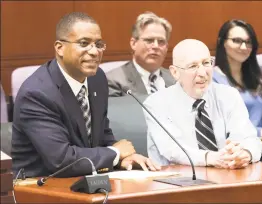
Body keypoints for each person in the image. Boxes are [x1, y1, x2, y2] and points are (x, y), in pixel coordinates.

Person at [11, 12, 160, 178]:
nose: (95, 52)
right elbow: (61, 160)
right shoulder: (37, 94)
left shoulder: (97, 78)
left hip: (87, 180)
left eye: (99, 44)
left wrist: (126, 158)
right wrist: (115, 153)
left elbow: (101, 134)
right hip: (40, 187)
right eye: (84, 43)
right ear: (60, 48)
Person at [143, 39, 262, 169]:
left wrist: (244, 153)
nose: (202, 73)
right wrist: (210, 158)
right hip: (176, 179)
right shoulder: (156, 103)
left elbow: (249, 138)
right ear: (175, 72)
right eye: (193, 66)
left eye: (206, 63)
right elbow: (172, 151)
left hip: (225, 174)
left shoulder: (228, 95)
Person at [213, 19, 262, 167]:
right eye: (237, 41)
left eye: (248, 42)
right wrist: (261, 132)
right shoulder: (213, 80)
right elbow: (222, 127)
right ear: (222, 42)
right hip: (235, 147)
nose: (244, 47)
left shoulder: (259, 80)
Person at [106, 12, 175, 97]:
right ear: (134, 43)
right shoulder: (114, 80)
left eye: (161, 41)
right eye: (149, 40)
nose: (156, 46)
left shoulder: (175, 79)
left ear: (167, 47)